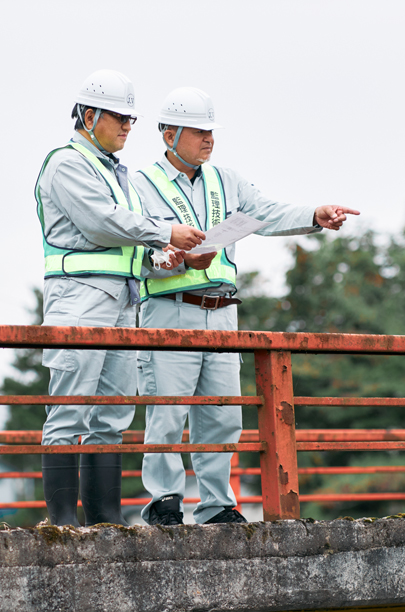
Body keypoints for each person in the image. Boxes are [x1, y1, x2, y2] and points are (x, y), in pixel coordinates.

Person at [131, 87, 359, 526]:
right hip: (169, 305)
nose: (208, 139)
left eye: (211, 131)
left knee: (221, 415)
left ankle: (217, 505)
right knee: (167, 410)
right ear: (168, 133)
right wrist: (175, 259)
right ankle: (164, 502)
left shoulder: (226, 179)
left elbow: (267, 212)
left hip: (222, 309)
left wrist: (315, 213)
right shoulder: (141, 185)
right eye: (198, 131)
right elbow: (136, 254)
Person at [33, 70, 201, 527]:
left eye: (131, 119)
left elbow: (127, 245)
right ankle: (63, 523)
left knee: (113, 414)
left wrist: (169, 259)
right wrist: (166, 231)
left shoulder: (115, 172)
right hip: (78, 300)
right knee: (70, 409)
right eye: (119, 118)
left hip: (123, 303)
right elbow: (100, 223)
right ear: (89, 116)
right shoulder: (66, 162)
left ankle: (105, 521)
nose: (128, 126)